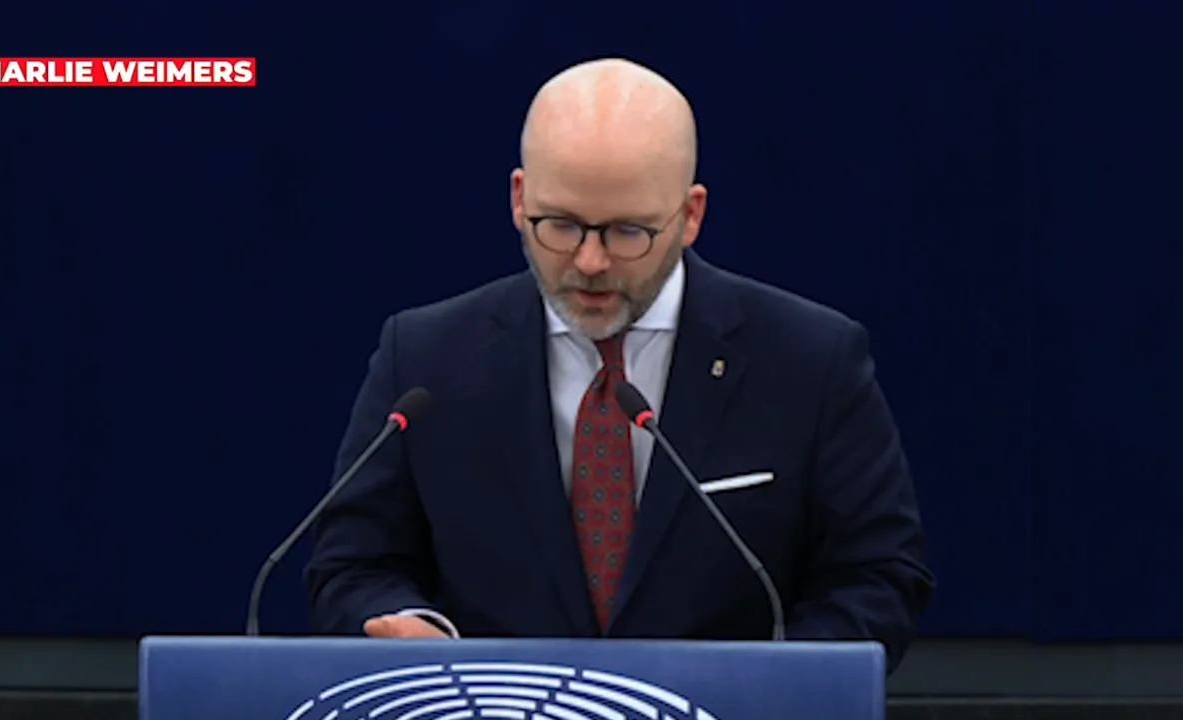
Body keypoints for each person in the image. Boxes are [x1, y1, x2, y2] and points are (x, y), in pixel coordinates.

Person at [304, 57, 934, 673]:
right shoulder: (424, 360)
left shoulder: (809, 359)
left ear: (690, 215)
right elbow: (352, 567)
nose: (590, 261)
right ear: (520, 198)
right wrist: (414, 635)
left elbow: (878, 576)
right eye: (562, 225)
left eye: (628, 232)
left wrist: (770, 686)